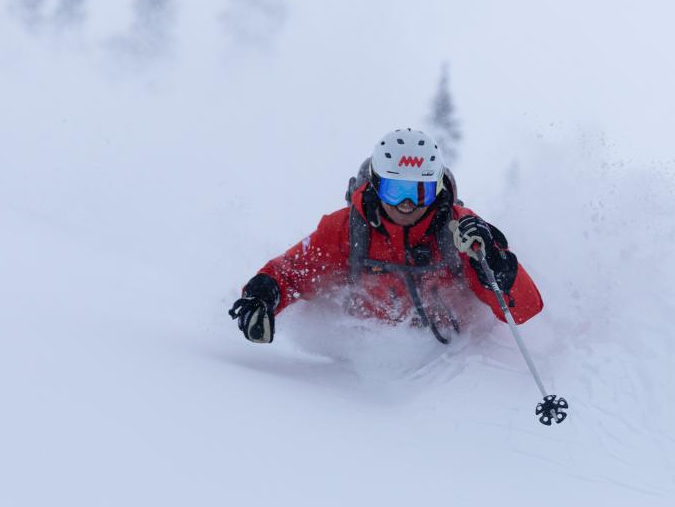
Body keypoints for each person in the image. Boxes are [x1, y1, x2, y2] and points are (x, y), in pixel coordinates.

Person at [229, 128, 543, 345]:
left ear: (437, 190)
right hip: (358, 371)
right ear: (378, 186)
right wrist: (262, 296)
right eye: (396, 191)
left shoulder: (461, 232)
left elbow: (524, 310)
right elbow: (292, 272)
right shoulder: (350, 230)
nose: (408, 205)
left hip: (451, 365)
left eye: (421, 192)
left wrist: (496, 263)